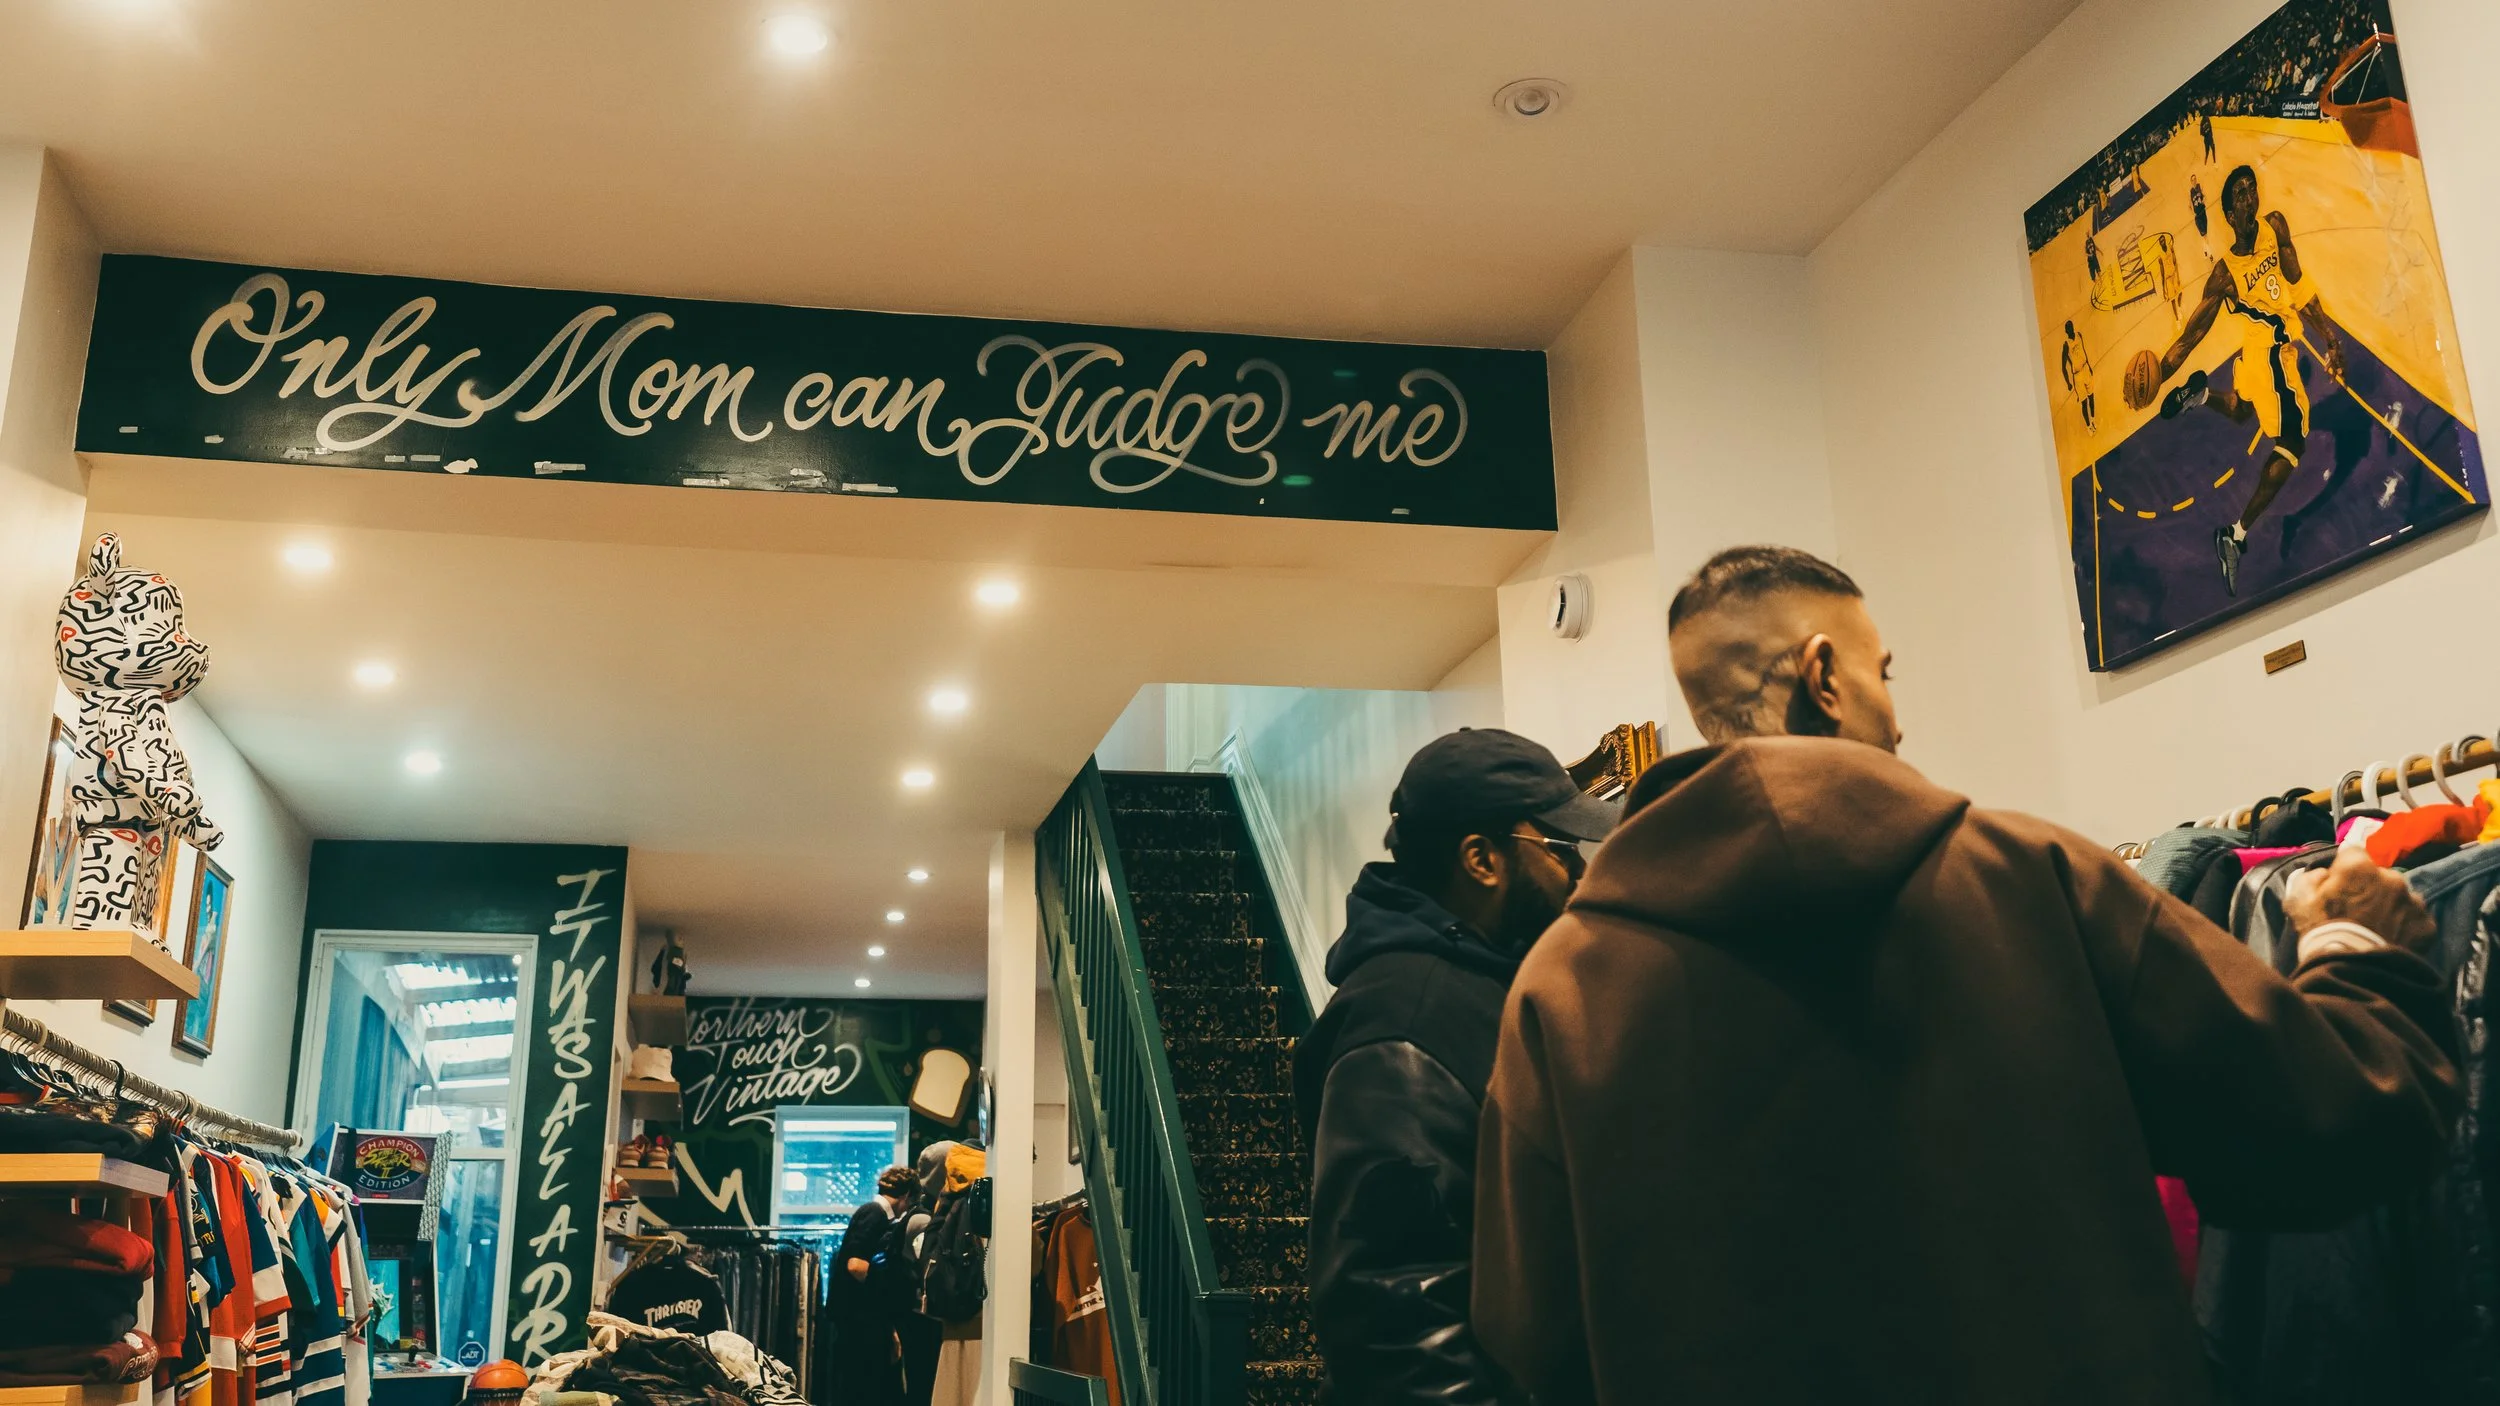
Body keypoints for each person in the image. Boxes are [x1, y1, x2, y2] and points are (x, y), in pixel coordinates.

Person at [1472, 545, 2459, 1405]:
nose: (1897, 722)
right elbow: (2328, 1123)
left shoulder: (1564, 988)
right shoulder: (2030, 879)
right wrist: (2351, 947)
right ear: (1823, 676)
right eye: (1883, 673)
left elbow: (1529, 1338)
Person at [1293, 728, 1619, 1406]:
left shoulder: (1478, 991)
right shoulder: (1408, 1020)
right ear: (1482, 860)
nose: (1578, 873)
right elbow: (1394, 1314)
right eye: (1560, 847)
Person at [2152, 163, 2347, 594]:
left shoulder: (2275, 228)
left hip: (2259, 352)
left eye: (2251, 189)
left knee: (2243, 412)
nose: (2249, 199)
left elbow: (2299, 288)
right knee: (2292, 443)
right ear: (2228, 214)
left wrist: (2330, 336)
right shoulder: (2225, 275)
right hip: (2271, 358)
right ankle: (2235, 536)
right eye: (2240, 195)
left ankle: (2200, 395)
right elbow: (2191, 336)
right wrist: (2159, 375)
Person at [829, 1165, 915, 1406]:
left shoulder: (872, 1212)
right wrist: (884, 1289)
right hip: (859, 1320)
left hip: (857, 1319)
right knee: (863, 1385)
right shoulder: (875, 1213)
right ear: (906, 1195)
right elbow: (855, 1265)